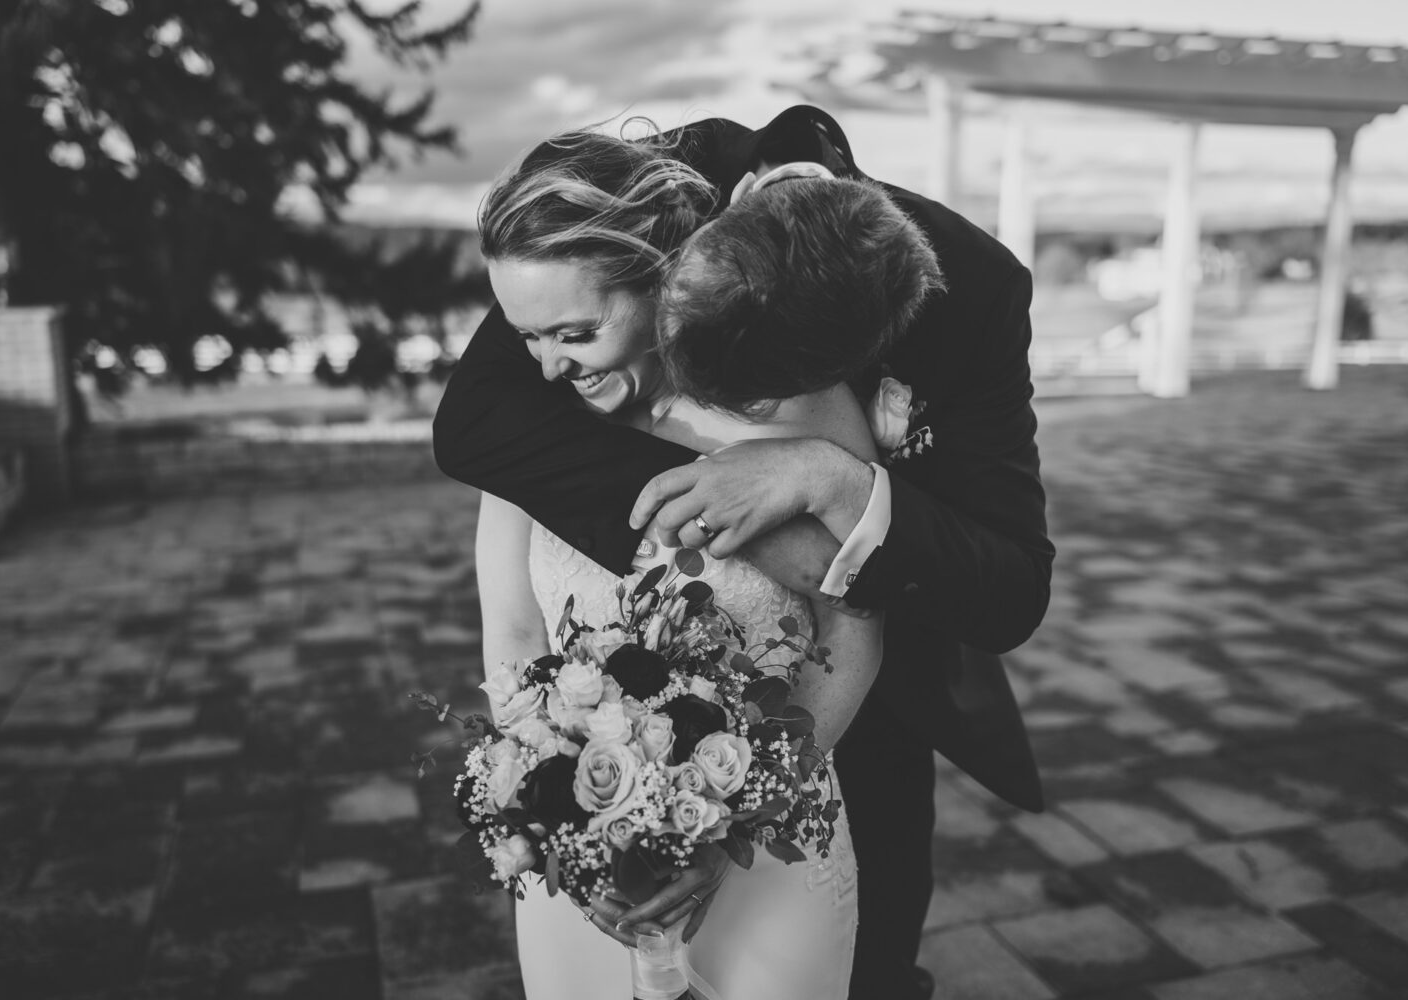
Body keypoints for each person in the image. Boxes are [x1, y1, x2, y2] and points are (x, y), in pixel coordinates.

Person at [439, 107, 1052, 1000]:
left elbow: (908, 606)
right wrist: (534, 791)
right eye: (534, 337)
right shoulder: (539, 397)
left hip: (812, 765)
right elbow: (511, 617)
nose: (545, 366)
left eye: (573, 336)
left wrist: (828, 477)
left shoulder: (948, 311)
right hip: (597, 814)